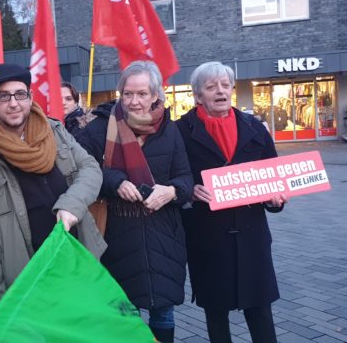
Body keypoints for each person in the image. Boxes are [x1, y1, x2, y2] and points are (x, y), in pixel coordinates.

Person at [0, 63, 105, 313]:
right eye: (3, 96)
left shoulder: (54, 131)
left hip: (77, 264)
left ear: (30, 97)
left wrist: (72, 205)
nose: (14, 103)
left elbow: (91, 169)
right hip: (27, 284)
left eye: (20, 94)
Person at [76, 61, 193, 343]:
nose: (134, 101)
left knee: (163, 314)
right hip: (117, 237)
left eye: (142, 94)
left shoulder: (170, 129)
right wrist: (115, 182)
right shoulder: (101, 128)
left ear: (156, 95)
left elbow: (186, 178)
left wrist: (172, 192)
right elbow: (81, 169)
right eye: (127, 94)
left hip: (163, 238)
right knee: (123, 316)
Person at [175, 62, 288, 343]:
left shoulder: (254, 128)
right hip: (208, 237)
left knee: (260, 310)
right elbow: (172, 176)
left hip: (252, 236)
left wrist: (276, 199)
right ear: (198, 95)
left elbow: (274, 174)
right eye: (211, 87)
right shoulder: (179, 131)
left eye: (225, 85)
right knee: (216, 314)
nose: (220, 91)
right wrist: (188, 190)